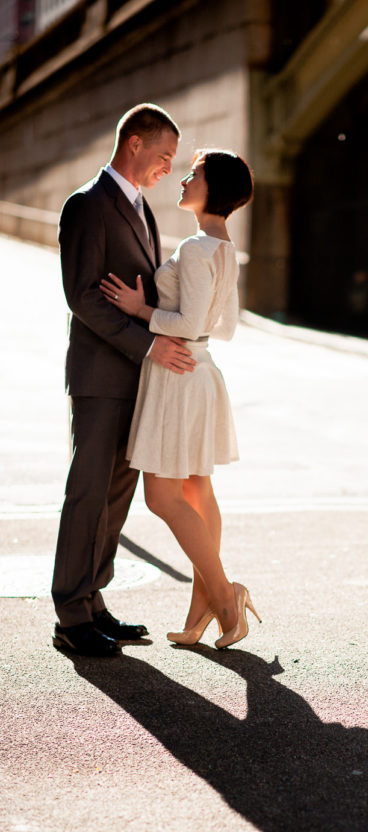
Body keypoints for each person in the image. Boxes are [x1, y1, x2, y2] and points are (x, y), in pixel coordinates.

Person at [99, 148, 260, 650]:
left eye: (197, 174)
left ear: (214, 190)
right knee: (197, 490)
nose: (186, 179)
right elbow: (226, 328)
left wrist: (140, 307)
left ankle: (224, 595)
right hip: (202, 369)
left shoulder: (195, 248)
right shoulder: (223, 247)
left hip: (177, 370)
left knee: (161, 496)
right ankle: (201, 610)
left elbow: (188, 323)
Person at [52, 103, 195, 659]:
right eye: (163, 156)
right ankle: (70, 615)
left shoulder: (141, 207)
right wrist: (150, 343)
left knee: (115, 495)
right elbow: (82, 295)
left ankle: (94, 602)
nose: (167, 168)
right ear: (133, 143)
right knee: (88, 493)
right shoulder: (87, 204)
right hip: (100, 378)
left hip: (138, 379)